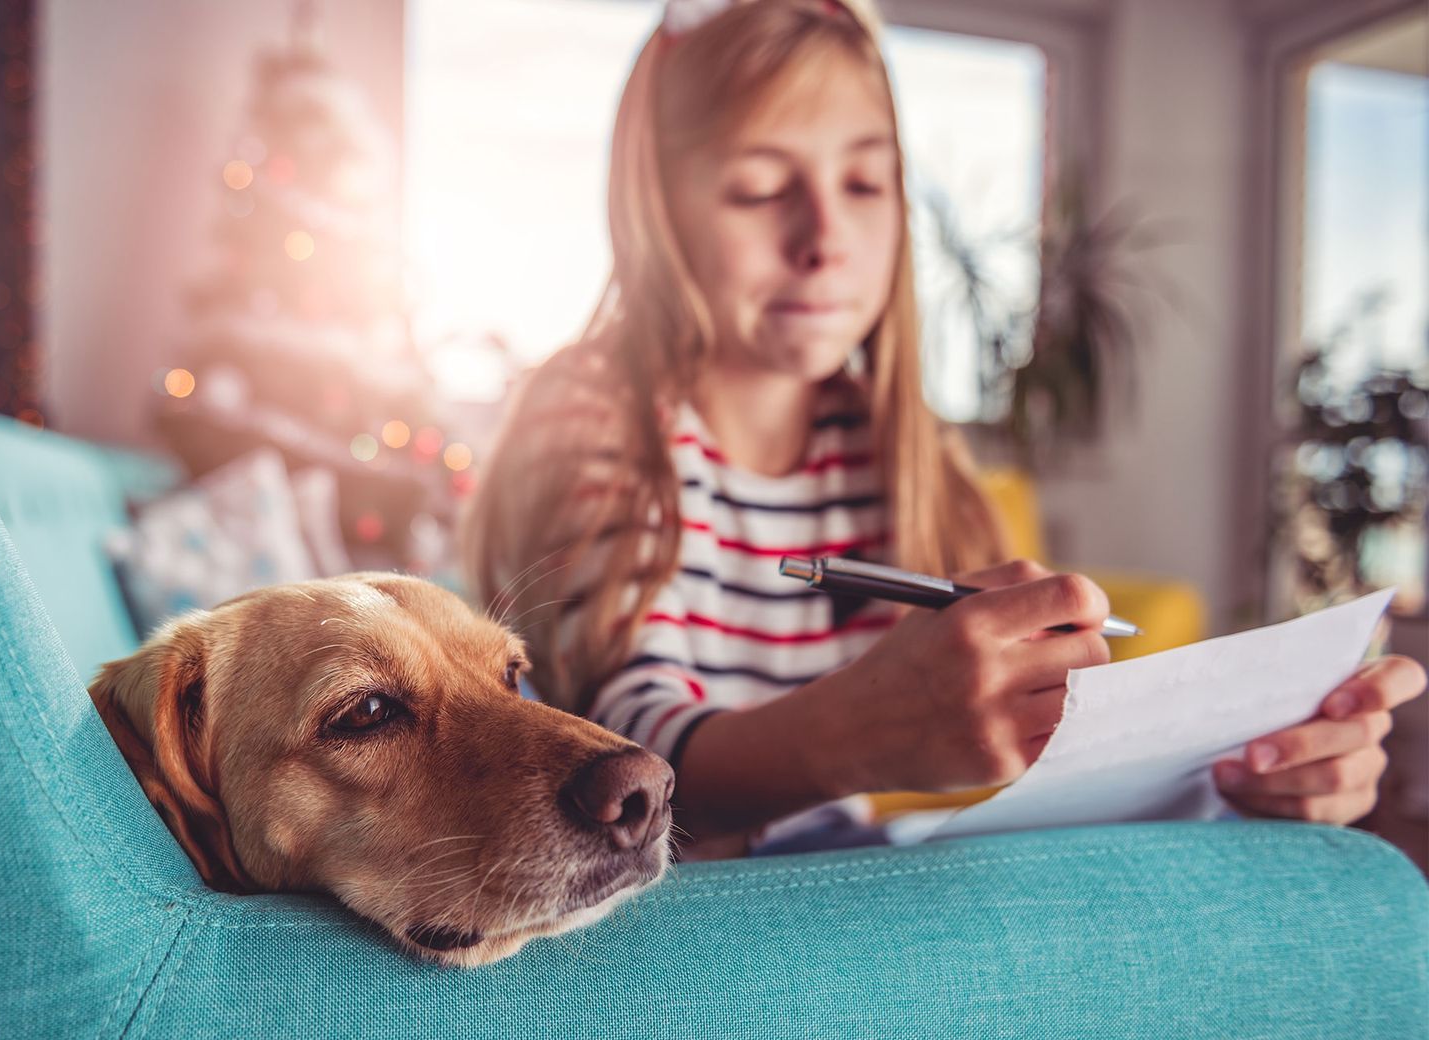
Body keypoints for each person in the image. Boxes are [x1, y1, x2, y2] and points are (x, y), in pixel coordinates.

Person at [461, 0, 1425, 859]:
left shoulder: (890, 446)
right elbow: (630, 747)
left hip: (829, 870)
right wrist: (855, 732)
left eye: (865, 185)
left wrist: (1239, 771)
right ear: (655, 210)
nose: (825, 239)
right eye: (758, 188)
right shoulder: (597, 413)